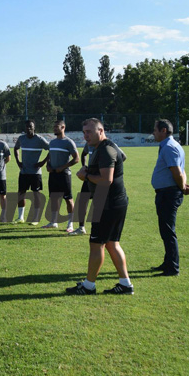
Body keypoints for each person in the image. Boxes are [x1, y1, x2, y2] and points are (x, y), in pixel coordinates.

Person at [68, 118, 133, 295]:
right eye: (84, 132)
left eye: (89, 132)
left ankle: (89, 286)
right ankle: (125, 284)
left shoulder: (106, 150)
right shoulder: (104, 147)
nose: (85, 136)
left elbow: (106, 180)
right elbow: (122, 158)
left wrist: (86, 176)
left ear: (101, 130)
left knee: (96, 244)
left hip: (107, 203)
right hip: (114, 201)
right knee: (112, 243)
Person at [151, 119, 189, 277]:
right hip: (167, 192)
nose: (153, 133)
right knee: (166, 230)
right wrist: (183, 186)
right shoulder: (172, 145)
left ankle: (172, 267)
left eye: (155, 130)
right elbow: (181, 170)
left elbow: (177, 171)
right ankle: (168, 262)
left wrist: (182, 188)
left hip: (168, 193)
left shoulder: (169, 147)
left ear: (163, 130)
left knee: (168, 231)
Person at [41, 120, 79, 232]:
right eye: (54, 127)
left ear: (63, 127)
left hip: (64, 175)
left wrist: (63, 167)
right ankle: (54, 222)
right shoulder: (52, 143)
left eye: (56, 127)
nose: (54, 128)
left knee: (68, 199)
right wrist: (48, 165)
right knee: (53, 199)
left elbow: (76, 159)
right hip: (53, 174)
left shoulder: (69, 142)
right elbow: (50, 155)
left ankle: (70, 224)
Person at [13, 120, 49, 224]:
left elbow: (51, 149)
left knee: (36, 195)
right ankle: (20, 217)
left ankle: (36, 218)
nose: (28, 128)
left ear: (34, 128)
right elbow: (16, 148)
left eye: (30, 126)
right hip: (24, 172)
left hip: (35, 173)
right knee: (21, 194)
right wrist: (18, 161)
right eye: (27, 127)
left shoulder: (39, 139)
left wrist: (43, 162)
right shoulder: (21, 138)